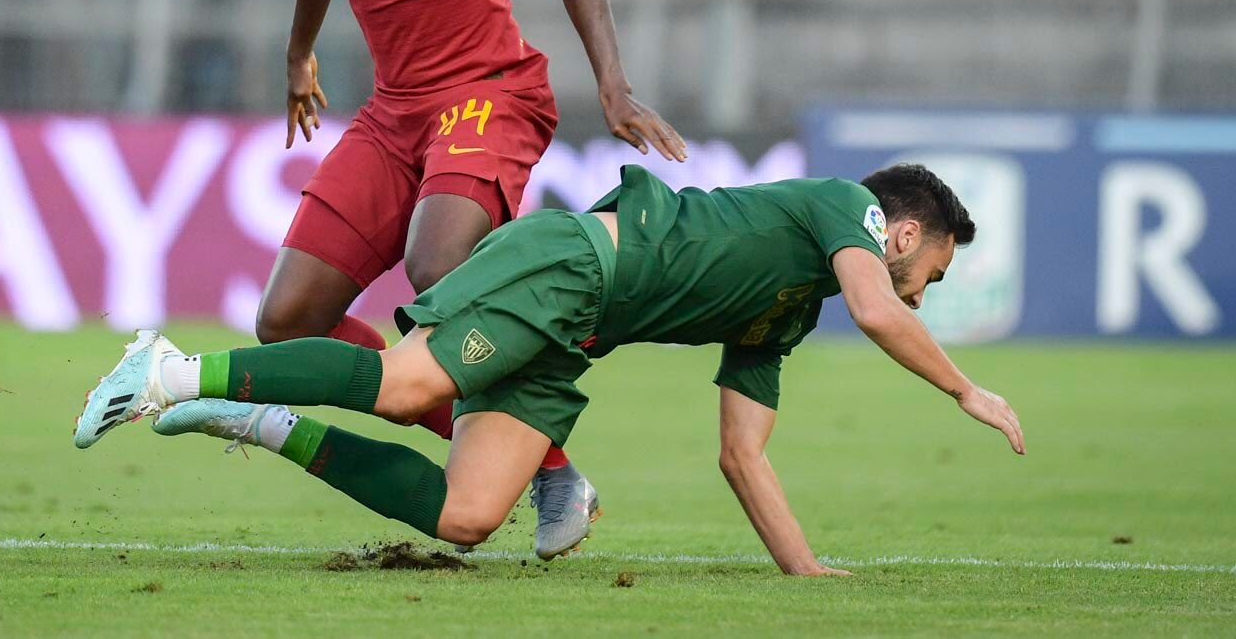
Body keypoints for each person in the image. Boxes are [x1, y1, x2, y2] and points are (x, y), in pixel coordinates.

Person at [74, 162, 1025, 574]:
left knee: (468, 515)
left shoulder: (784, 310)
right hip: (572, 265)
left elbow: (744, 456)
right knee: (410, 384)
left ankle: (255, 420)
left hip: (572, 334)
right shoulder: (842, 206)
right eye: (931, 273)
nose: (920, 295)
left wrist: (807, 573)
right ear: (902, 231)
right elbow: (875, 305)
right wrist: (965, 387)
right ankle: (173, 367)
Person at [248, 0, 686, 556]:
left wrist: (613, 84)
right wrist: (300, 49)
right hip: (395, 112)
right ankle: (547, 462)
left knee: (437, 264)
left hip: (490, 96)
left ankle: (531, 449)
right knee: (286, 318)